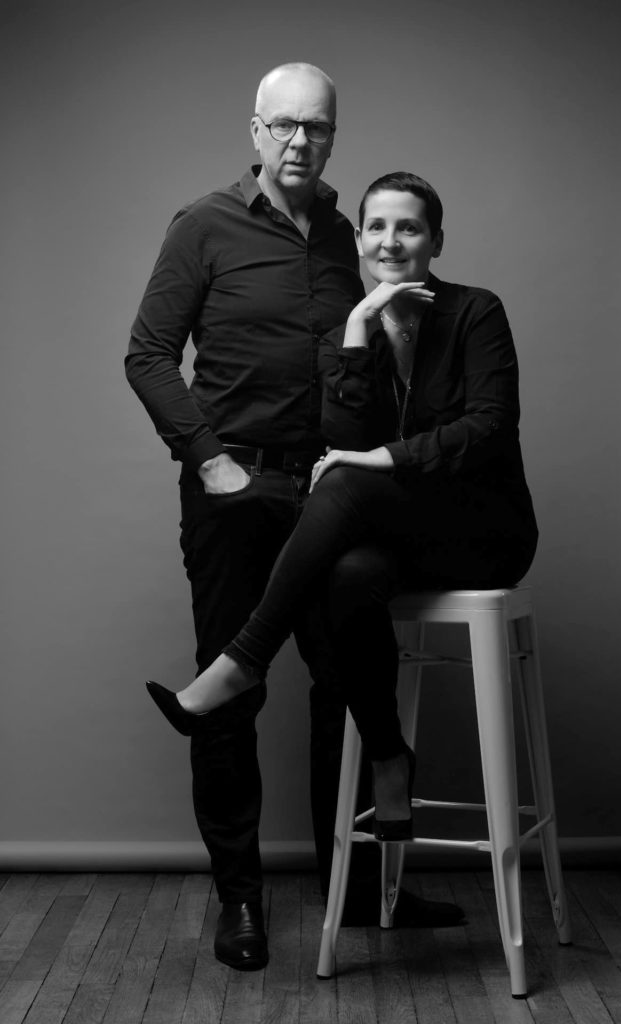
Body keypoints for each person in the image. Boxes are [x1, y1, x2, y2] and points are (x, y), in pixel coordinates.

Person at [126, 67, 460, 974]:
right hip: (234, 495)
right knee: (232, 694)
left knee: (343, 683)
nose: (300, 143)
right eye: (284, 127)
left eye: (316, 129)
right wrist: (211, 461)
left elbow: (364, 378)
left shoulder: (347, 239)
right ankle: (240, 899)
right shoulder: (203, 226)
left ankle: (351, 888)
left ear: (333, 136)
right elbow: (148, 354)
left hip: (324, 494)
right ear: (256, 130)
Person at [147, 172, 539, 866]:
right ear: (358, 239)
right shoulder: (342, 338)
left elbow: (488, 428)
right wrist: (359, 335)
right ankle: (389, 756)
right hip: (401, 539)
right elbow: (342, 428)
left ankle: (241, 661)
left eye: (409, 227)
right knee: (350, 574)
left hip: (483, 534)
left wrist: (383, 457)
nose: (392, 241)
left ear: (435, 240)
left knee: (347, 480)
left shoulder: (476, 311)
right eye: (378, 228)